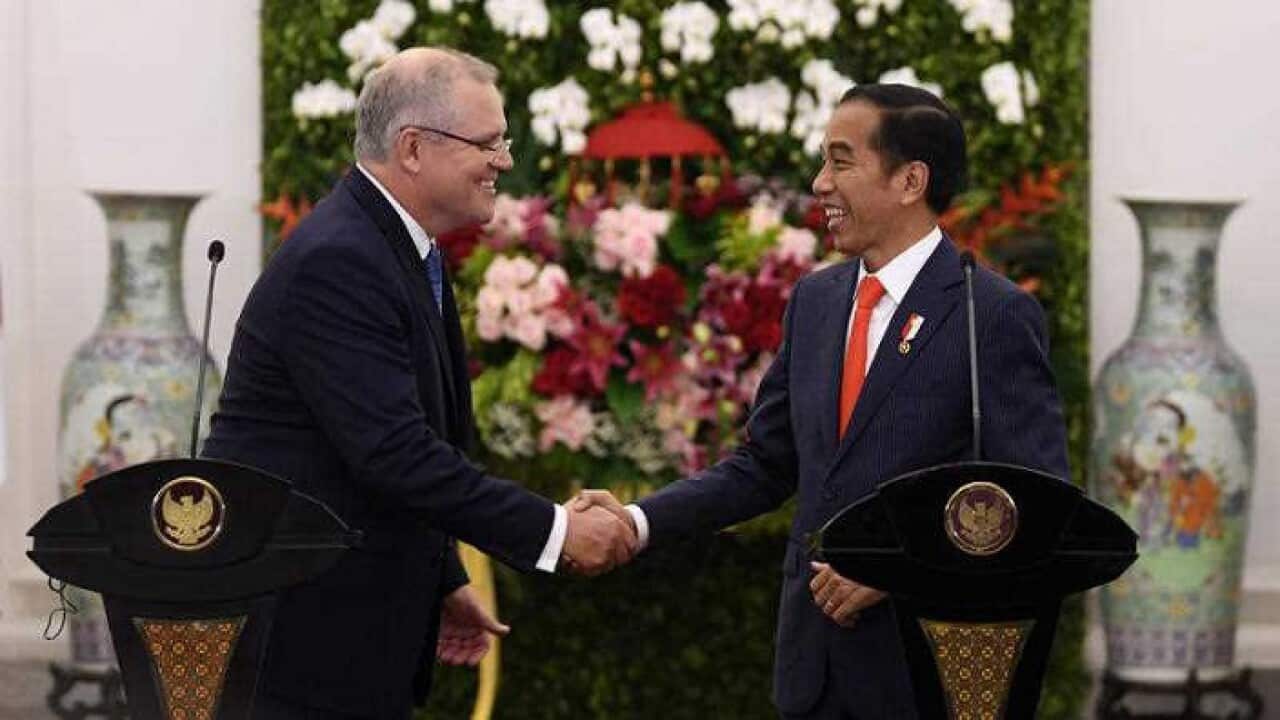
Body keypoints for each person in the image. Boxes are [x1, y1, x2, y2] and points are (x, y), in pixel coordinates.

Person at [577, 84, 1070, 719]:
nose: (819, 183)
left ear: (910, 179)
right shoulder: (817, 302)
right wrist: (638, 521)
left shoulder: (993, 314)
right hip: (814, 674)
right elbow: (764, 465)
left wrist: (903, 568)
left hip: (927, 678)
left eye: (841, 161)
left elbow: (1035, 504)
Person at [201, 47, 636, 720]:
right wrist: (552, 530)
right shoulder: (340, 260)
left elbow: (415, 441)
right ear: (411, 148)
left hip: (346, 642)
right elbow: (395, 454)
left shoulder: (396, 247)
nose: (504, 162)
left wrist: (441, 577)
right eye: (488, 144)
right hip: (297, 652)